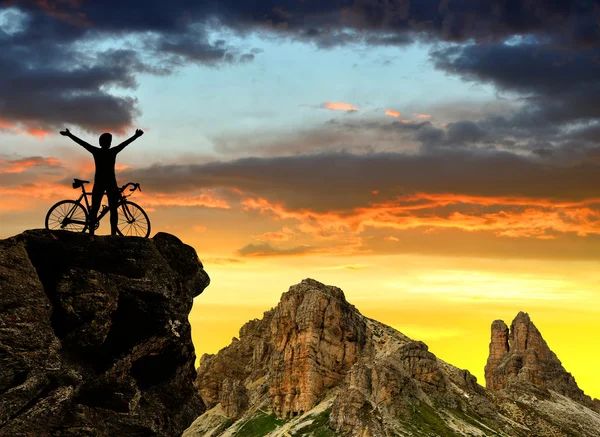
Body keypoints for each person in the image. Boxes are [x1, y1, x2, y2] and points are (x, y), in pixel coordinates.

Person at [60, 128, 144, 236]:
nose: (108, 143)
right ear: (108, 143)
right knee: (112, 209)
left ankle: (92, 233)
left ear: (101, 143)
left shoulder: (97, 151)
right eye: (108, 141)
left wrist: (69, 135)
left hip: (101, 183)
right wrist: (136, 136)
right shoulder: (112, 151)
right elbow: (124, 144)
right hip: (110, 183)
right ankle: (112, 234)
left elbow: (83, 143)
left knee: (97, 209)